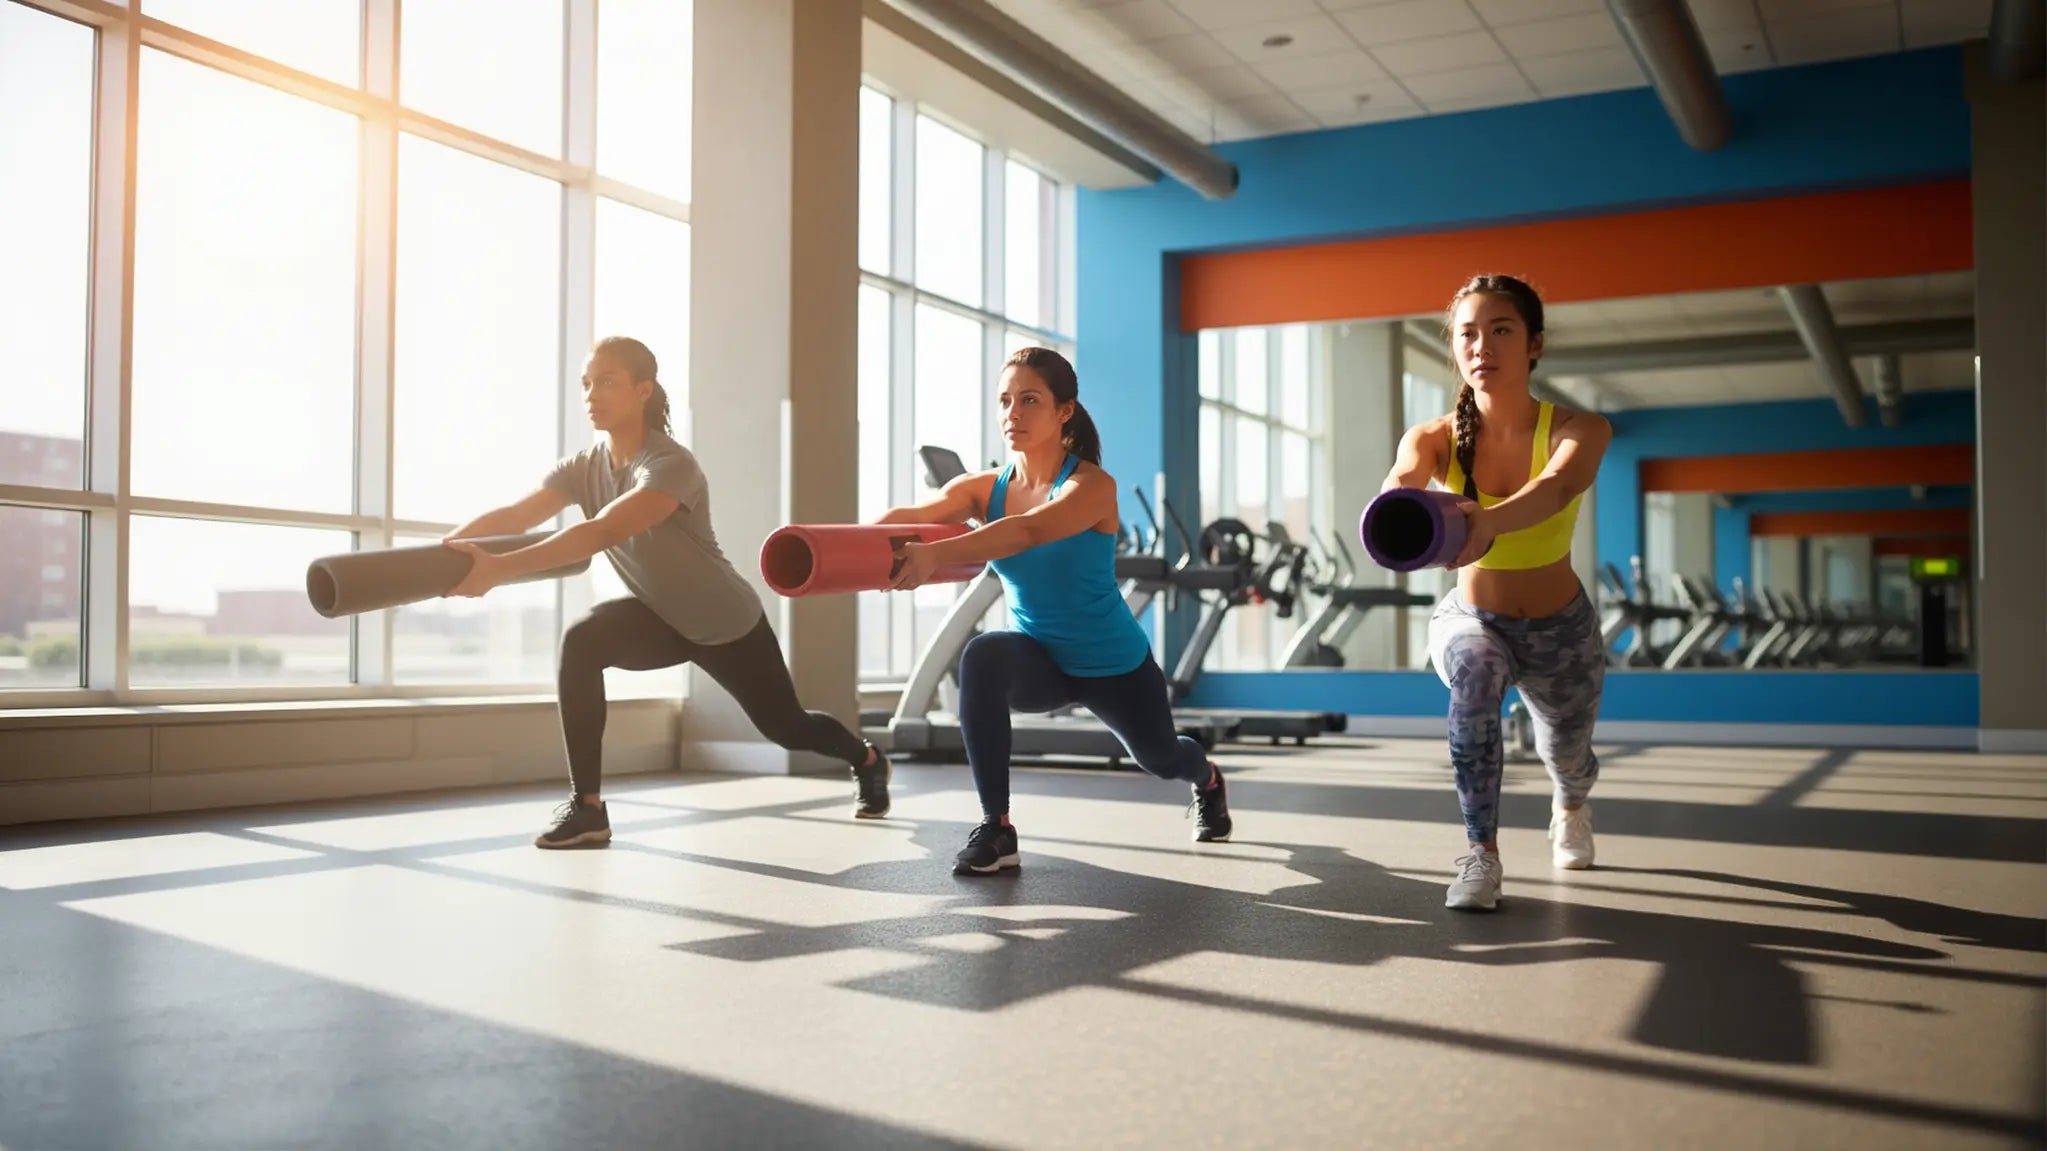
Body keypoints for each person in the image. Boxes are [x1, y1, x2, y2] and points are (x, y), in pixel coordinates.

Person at [440, 335, 892, 848]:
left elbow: (603, 531)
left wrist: (497, 569)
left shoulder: (671, 464)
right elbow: (517, 517)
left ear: (643, 390)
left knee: (787, 727)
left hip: (726, 623)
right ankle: (588, 809)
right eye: (587, 384)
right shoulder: (580, 469)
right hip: (661, 617)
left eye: (606, 382)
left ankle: (867, 759)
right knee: (582, 642)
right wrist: (449, 550)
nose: (591, 394)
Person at [878, 346, 1233, 875]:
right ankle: (997, 827)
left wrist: (932, 555)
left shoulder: (1091, 486)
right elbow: (912, 516)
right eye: (1004, 401)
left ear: (1064, 410)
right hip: (1039, 660)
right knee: (982, 656)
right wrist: (849, 542)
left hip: (1114, 666)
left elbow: (1027, 530)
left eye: (1029, 400)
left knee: (1160, 760)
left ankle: (1207, 779)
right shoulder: (984, 487)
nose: (1012, 414)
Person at [1380, 274, 1613, 911]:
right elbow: (1402, 480)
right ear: (1453, 348)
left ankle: (1571, 804)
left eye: (1501, 330)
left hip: (1560, 627)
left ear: (1535, 344)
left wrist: (1487, 521)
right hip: (1471, 616)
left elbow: (1558, 488)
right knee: (1475, 679)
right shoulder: (1431, 438)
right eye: (1468, 334)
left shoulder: (1581, 428)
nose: (1483, 345)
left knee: (1567, 751)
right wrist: (1403, 512)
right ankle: (1481, 854)